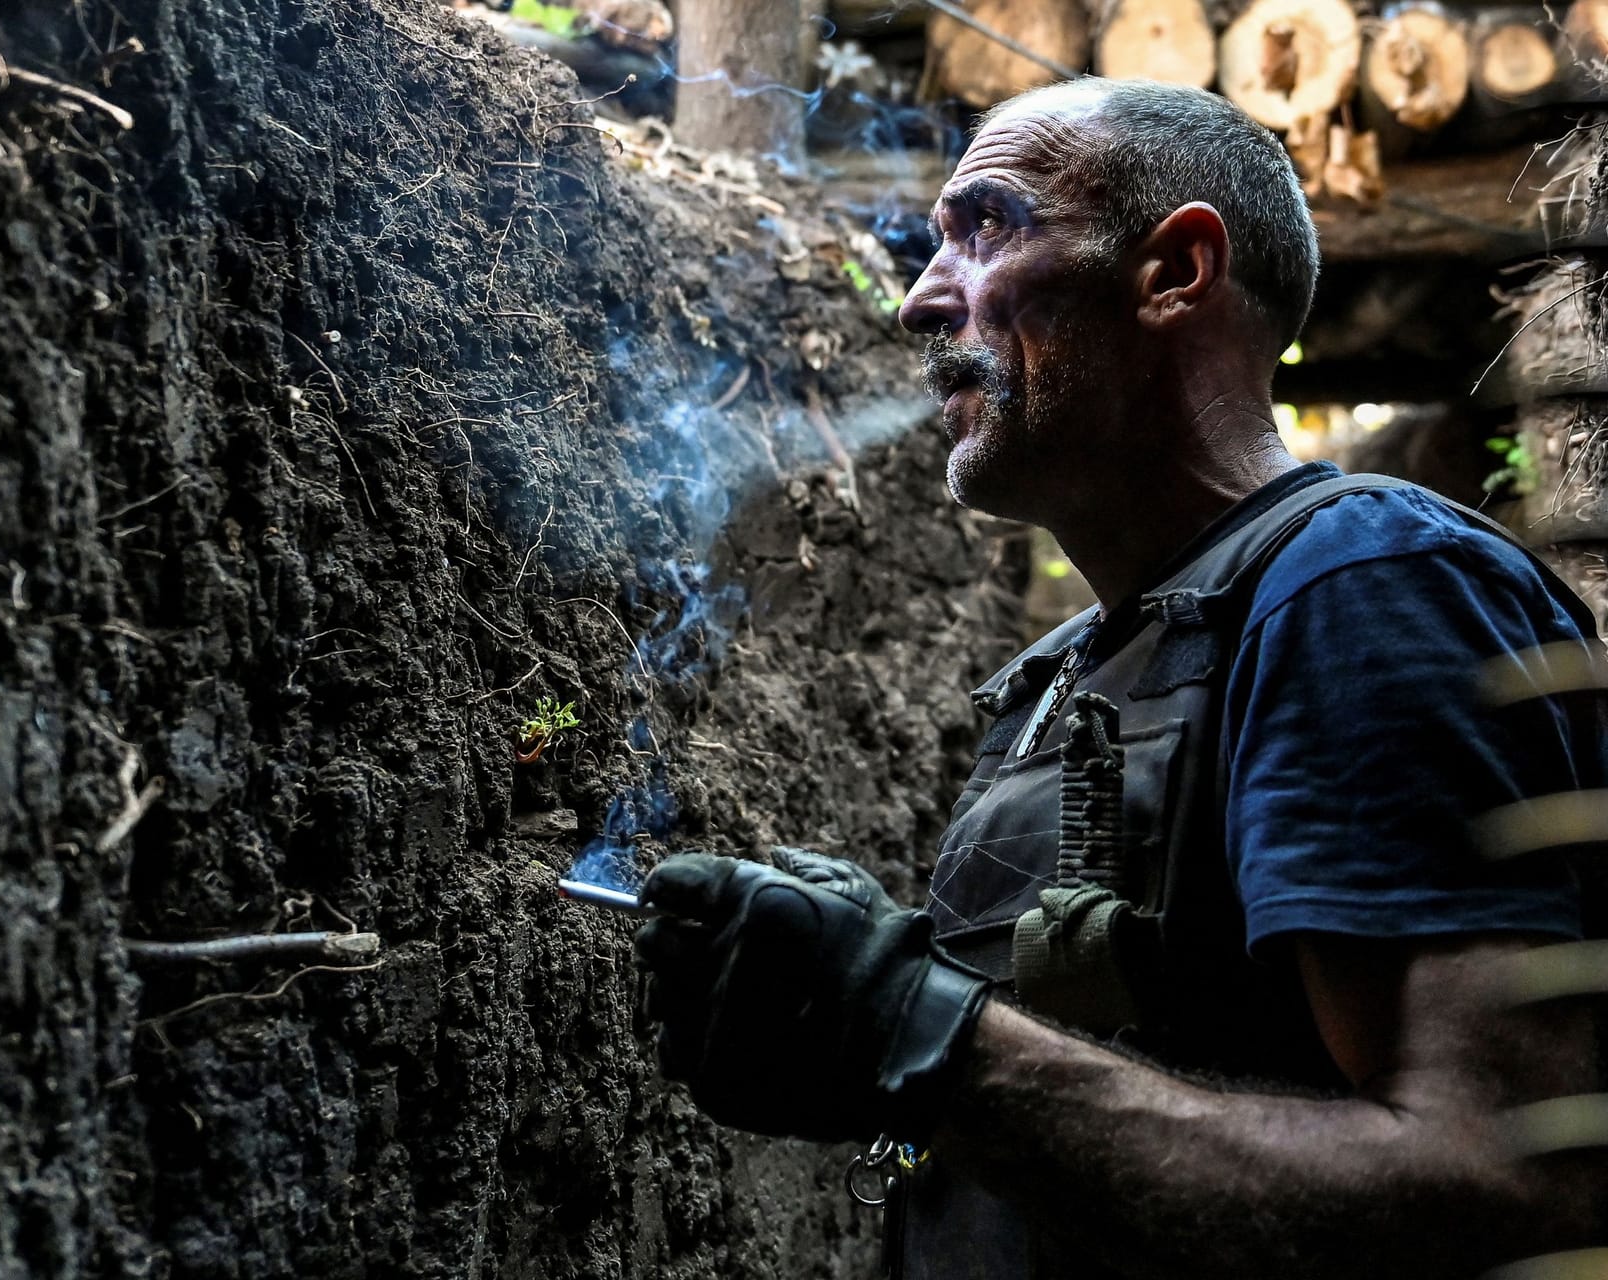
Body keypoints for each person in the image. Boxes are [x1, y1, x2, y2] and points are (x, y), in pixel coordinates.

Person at [633, 78, 1606, 1279]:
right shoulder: (1071, 666)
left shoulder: (1360, 585)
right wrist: (880, 985)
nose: (919, 301)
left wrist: (923, 1029)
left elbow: (1508, 1181)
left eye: (986, 227)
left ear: (1173, 272)